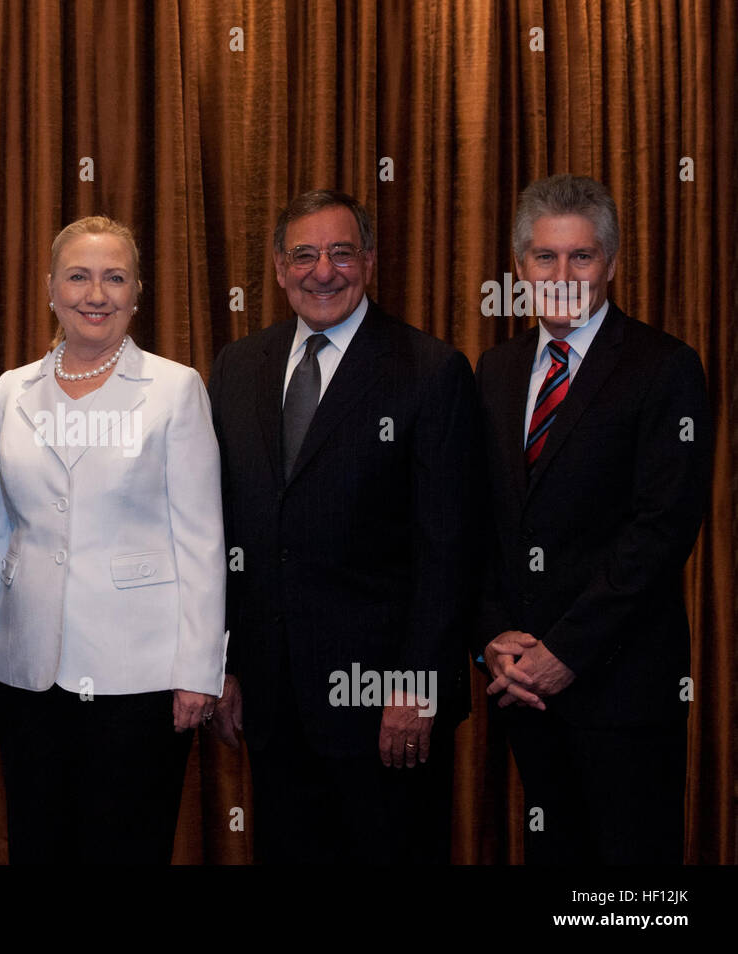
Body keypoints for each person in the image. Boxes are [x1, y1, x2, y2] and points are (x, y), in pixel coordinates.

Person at [208, 189, 477, 863]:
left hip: (385, 711)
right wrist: (227, 665)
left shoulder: (431, 370)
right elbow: (226, 530)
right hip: (273, 708)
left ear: (371, 261)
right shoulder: (238, 368)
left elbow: (448, 548)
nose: (322, 271)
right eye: (303, 254)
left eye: (340, 252)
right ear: (277, 267)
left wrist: (416, 688)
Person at [0, 216, 225, 864]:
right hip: (28, 677)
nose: (95, 293)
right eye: (78, 276)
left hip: (140, 678)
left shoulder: (174, 388)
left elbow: (202, 539)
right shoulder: (10, 391)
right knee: (38, 845)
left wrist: (198, 670)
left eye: (114, 278)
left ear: (137, 293)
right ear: (50, 289)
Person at [476, 174, 712, 864]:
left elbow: (662, 530)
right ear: (521, 268)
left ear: (609, 262)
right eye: (545, 257)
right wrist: (491, 635)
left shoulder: (664, 367)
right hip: (523, 689)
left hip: (624, 688)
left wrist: (565, 653)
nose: (562, 274)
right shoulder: (496, 368)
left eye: (581, 256)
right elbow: (481, 521)